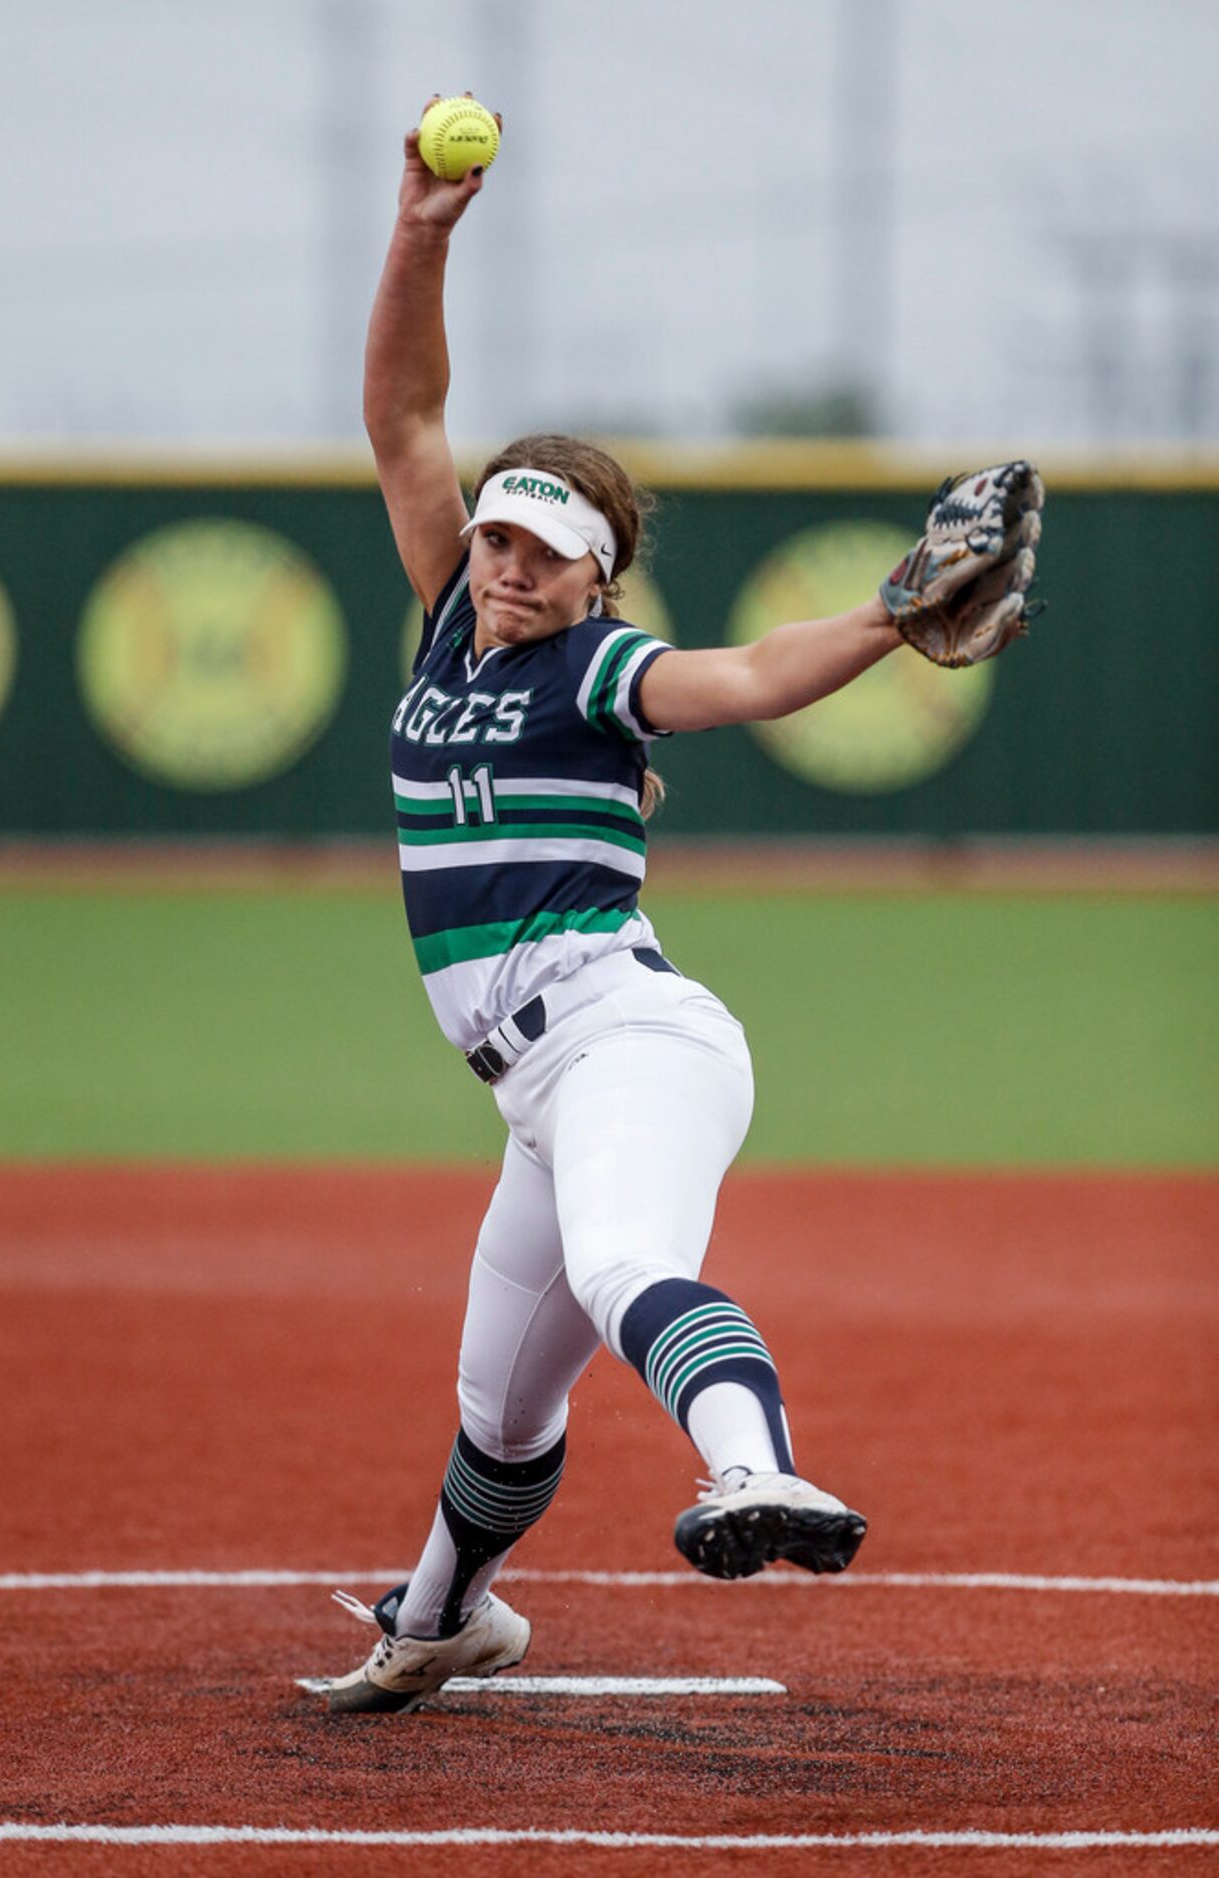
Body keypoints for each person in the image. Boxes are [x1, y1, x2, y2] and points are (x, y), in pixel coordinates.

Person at [320, 101, 905, 1716]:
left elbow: (748, 675)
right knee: (498, 1407)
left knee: (625, 1254)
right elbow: (401, 415)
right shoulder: (453, 626)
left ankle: (754, 1473)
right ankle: (441, 1615)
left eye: (541, 549)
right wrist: (421, 233)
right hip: (531, 1090)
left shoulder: (599, 668)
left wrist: (885, 613)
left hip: (627, 1038)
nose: (505, 563)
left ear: (595, 578)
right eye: (497, 537)